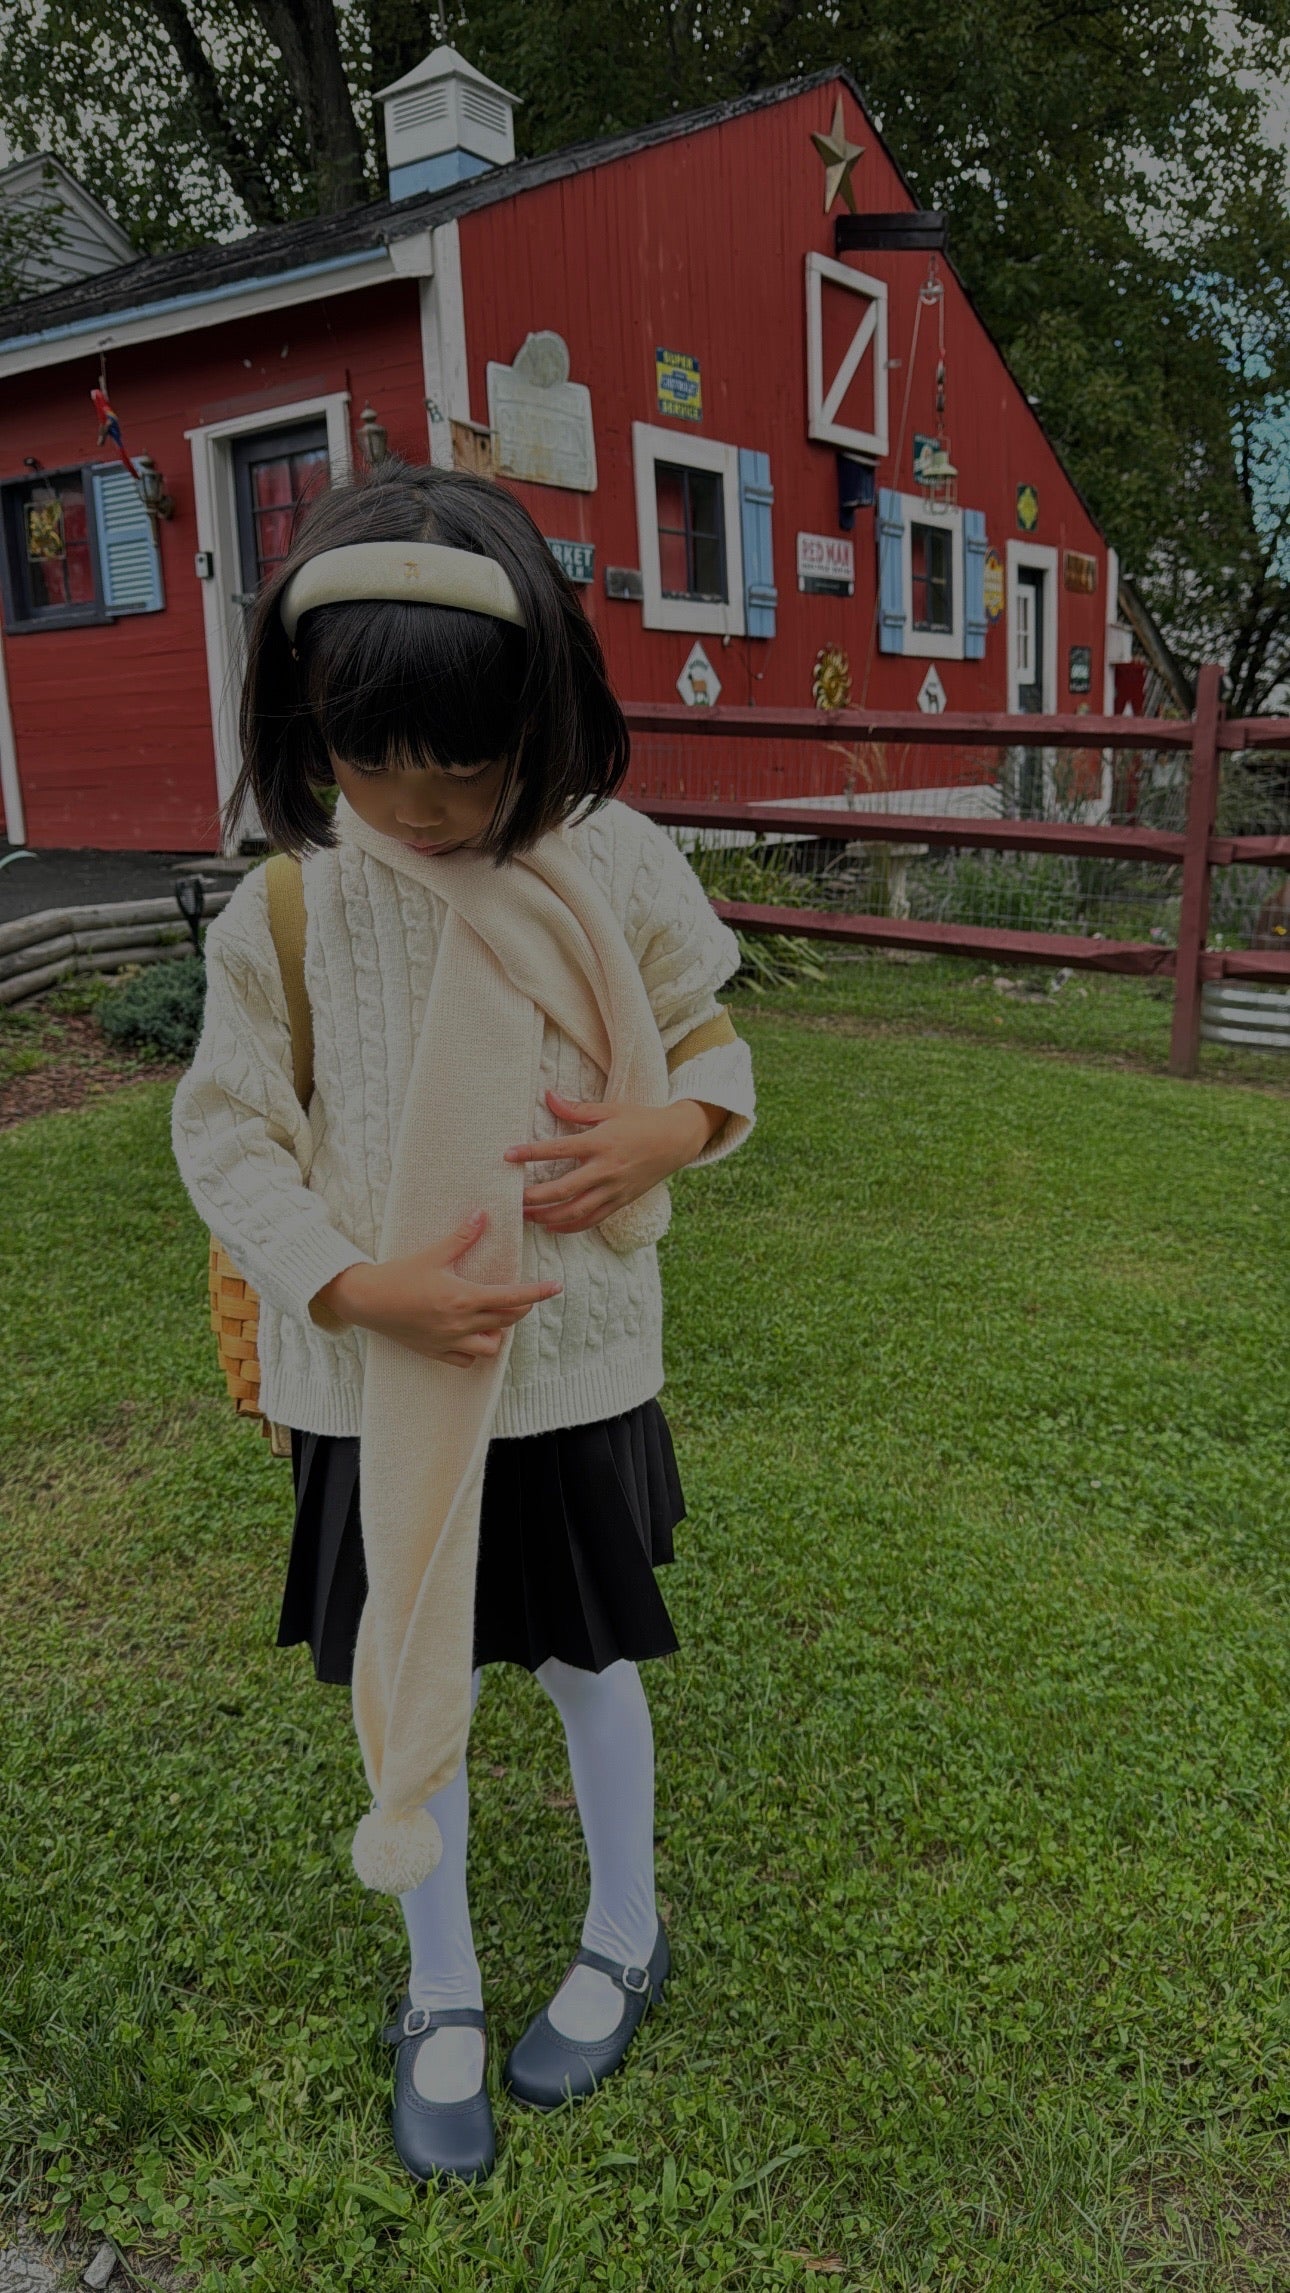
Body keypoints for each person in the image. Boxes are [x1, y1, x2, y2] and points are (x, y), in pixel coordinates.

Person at [170, 457, 755, 2188]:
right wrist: (353, 1287)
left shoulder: (617, 863)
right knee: (395, 1661)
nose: (419, 807)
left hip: (565, 1370)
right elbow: (224, 1129)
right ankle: (440, 1986)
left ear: (546, 716)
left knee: (587, 1664)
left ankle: (623, 1927)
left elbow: (709, 1044)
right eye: (371, 761)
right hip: (376, 1384)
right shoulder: (287, 905)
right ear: (303, 727)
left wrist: (669, 1124)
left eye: (467, 763)